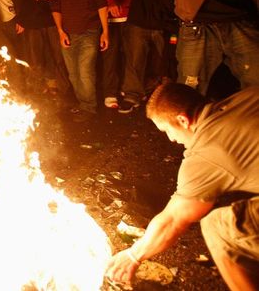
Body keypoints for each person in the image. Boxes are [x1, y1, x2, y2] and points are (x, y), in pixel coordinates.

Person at [106, 82, 259, 291]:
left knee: (217, 226)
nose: (171, 139)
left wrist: (133, 255)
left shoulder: (207, 152)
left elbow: (174, 220)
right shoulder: (245, 97)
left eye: (167, 129)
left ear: (183, 120)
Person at [50, 0, 109, 122]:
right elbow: (55, 6)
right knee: (74, 74)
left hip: (90, 30)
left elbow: (102, 3)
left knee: (85, 72)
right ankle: (83, 103)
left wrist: (105, 32)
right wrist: (60, 31)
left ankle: (89, 108)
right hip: (68, 31)